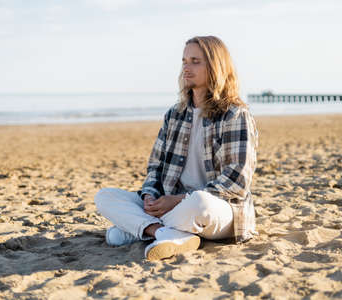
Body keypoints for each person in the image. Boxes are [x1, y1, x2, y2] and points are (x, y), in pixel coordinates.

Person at [94, 36, 258, 260]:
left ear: (215, 66)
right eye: (184, 61)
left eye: (195, 61)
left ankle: (142, 229)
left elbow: (236, 181)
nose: (186, 68)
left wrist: (179, 200)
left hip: (217, 209)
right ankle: (162, 232)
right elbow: (155, 167)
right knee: (105, 196)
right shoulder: (175, 114)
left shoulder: (235, 114)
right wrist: (150, 197)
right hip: (170, 205)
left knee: (199, 203)